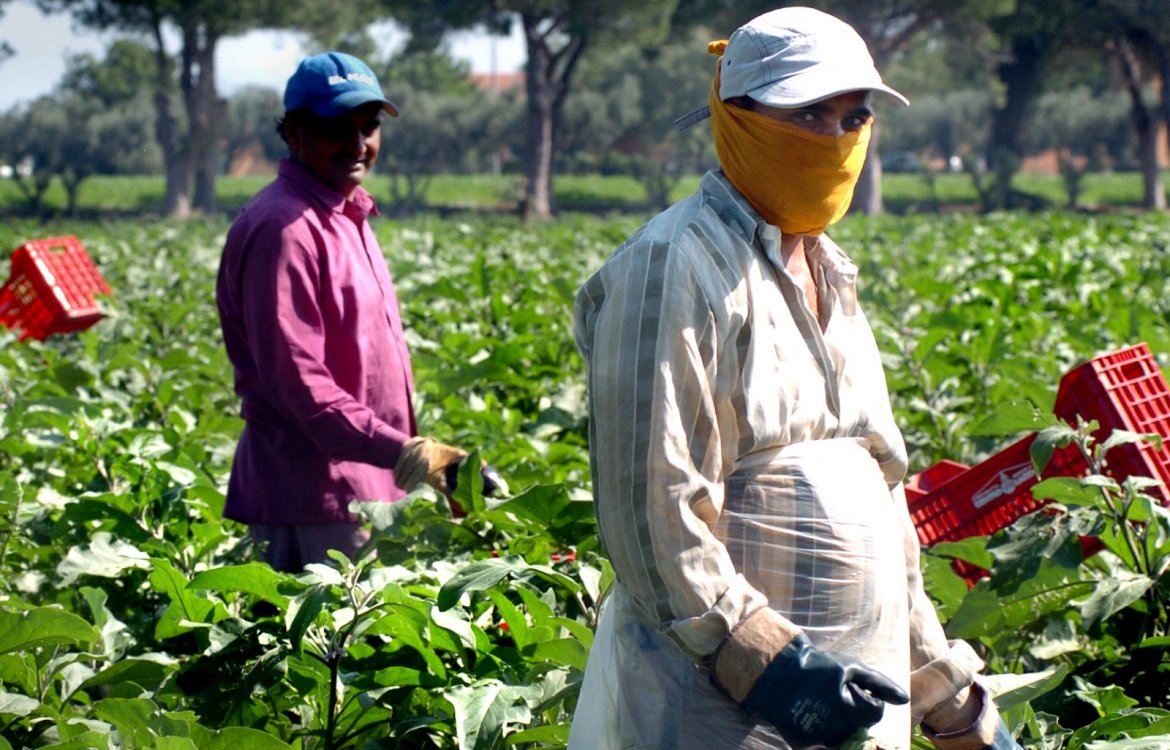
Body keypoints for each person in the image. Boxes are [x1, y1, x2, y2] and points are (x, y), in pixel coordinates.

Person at [569, 8, 1022, 750]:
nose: (837, 139)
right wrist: (765, 662)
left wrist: (947, 696)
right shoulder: (674, 263)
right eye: (809, 113)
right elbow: (651, 510)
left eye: (854, 116)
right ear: (737, 118)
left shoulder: (830, 273)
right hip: (721, 708)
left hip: (856, 698)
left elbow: (883, 514)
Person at [216, 51, 486, 572]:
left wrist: (414, 458)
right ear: (293, 133)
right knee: (327, 650)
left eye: (369, 127)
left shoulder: (346, 213)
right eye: (337, 128)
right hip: (313, 498)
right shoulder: (284, 229)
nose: (358, 144)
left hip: (364, 488)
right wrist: (411, 454)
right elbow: (300, 387)